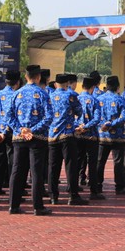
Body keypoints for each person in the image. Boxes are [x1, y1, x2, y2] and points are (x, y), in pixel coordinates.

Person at [8, 64, 53, 216]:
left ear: (25, 77)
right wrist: (32, 130)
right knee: (36, 172)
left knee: (17, 171)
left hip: (19, 137)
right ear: (39, 77)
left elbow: (9, 116)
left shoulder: (16, 93)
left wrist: (21, 129)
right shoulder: (43, 94)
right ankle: (37, 207)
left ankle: (13, 205)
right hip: (37, 138)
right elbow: (49, 117)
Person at [48, 74, 87, 206]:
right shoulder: (71, 95)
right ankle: (73, 195)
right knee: (70, 166)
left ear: (55, 84)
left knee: (53, 167)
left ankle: (53, 196)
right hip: (67, 134)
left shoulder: (49, 96)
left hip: (52, 135)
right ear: (67, 84)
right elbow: (80, 112)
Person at [0, 70, 21, 202]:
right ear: (17, 82)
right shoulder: (16, 96)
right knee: (14, 164)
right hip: (11, 133)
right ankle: (14, 195)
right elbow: (12, 117)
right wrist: (5, 132)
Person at [96, 75, 125, 195]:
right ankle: (119, 187)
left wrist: (104, 125)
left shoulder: (99, 99)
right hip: (118, 136)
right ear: (117, 86)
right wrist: (112, 124)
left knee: (100, 161)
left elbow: (96, 117)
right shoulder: (120, 99)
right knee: (118, 162)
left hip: (102, 135)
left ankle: (98, 186)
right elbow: (124, 117)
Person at [76, 76, 104, 200]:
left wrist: (79, 127)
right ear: (93, 87)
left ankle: (74, 186)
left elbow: (70, 116)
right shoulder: (94, 101)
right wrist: (86, 127)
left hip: (77, 135)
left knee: (77, 162)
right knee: (92, 164)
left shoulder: (75, 98)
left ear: (82, 86)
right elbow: (97, 118)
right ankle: (94, 191)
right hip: (91, 136)